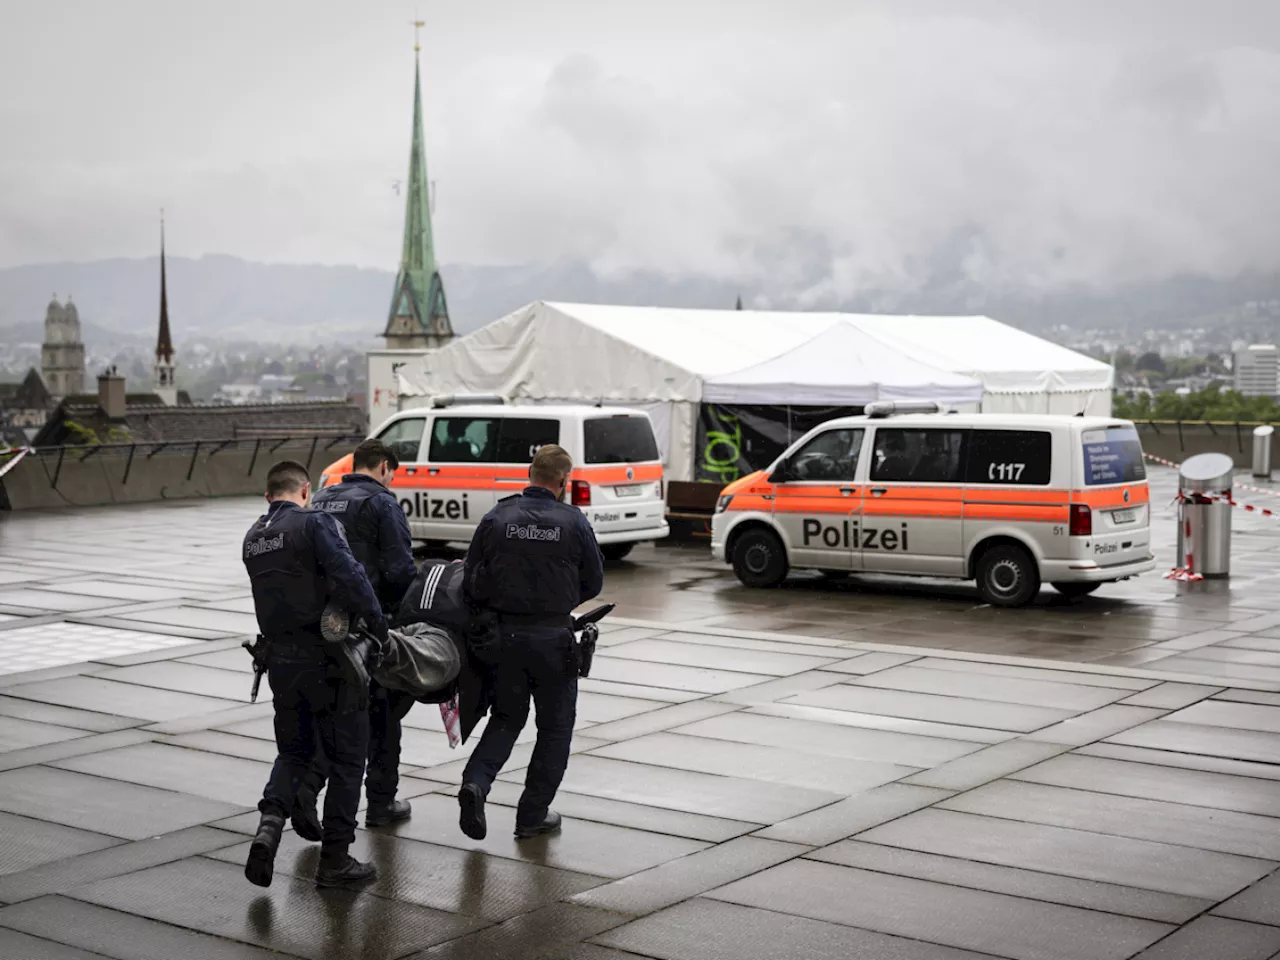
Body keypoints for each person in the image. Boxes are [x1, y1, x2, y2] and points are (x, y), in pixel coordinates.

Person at [241, 460, 387, 889]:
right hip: (328, 660)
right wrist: (378, 627)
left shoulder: (253, 537)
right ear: (305, 490)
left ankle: (268, 830)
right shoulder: (315, 523)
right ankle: (336, 860)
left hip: (280, 663)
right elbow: (351, 577)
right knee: (347, 757)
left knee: (293, 753)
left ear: (269, 496)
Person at [456, 444, 604, 841]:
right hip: (553, 640)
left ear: (530, 473)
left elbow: (470, 578)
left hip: (504, 639)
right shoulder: (573, 522)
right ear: (563, 481)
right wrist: (557, 603)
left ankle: (475, 783)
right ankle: (532, 816)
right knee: (555, 729)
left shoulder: (498, 516)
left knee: (506, 717)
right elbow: (594, 581)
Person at [293, 440, 419, 837]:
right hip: (367, 627)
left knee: (337, 718)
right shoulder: (382, 503)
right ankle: (381, 802)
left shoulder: (323, 497)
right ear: (384, 467)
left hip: (323, 625)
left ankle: (308, 787)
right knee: (382, 717)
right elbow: (400, 570)